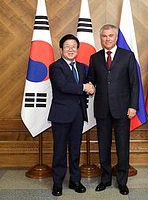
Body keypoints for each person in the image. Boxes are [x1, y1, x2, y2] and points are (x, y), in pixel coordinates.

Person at [87, 24, 139, 195]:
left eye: (110, 36)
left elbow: (134, 83)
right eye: (104, 36)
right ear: (100, 38)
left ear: (116, 38)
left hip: (123, 109)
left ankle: (122, 181)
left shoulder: (128, 56)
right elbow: (91, 79)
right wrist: (90, 86)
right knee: (104, 145)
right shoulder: (94, 58)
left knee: (122, 145)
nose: (107, 39)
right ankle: (106, 179)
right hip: (102, 109)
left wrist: (133, 106)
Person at [48, 34, 94, 196]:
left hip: (78, 115)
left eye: (74, 46)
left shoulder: (82, 67)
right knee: (59, 149)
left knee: (75, 149)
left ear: (77, 49)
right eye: (67, 46)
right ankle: (58, 182)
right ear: (61, 50)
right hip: (60, 115)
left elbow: (89, 82)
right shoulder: (55, 67)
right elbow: (64, 86)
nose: (71, 49)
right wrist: (84, 87)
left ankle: (75, 180)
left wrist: (91, 86)